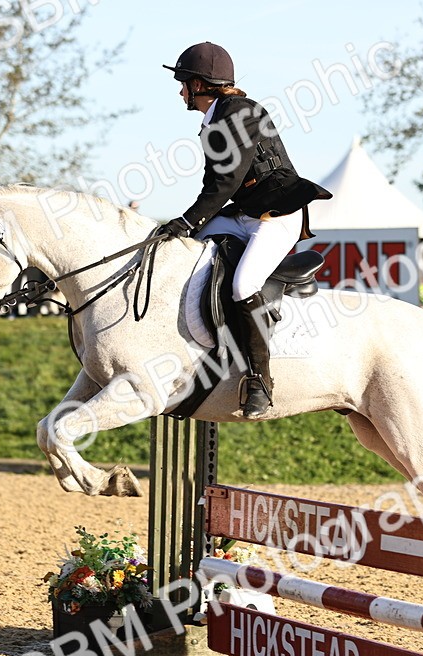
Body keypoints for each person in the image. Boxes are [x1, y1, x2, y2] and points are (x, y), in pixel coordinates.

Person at [159, 42, 331, 418]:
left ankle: (260, 379)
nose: (180, 90)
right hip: (243, 213)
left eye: (184, 82)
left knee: (243, 285)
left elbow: (225, 182)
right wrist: (183, 229)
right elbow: (213, 185)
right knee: (182, 251)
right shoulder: (214, 118)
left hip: (277, 214)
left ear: (202, 84)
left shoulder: (240, 113)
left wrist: (188, 220)